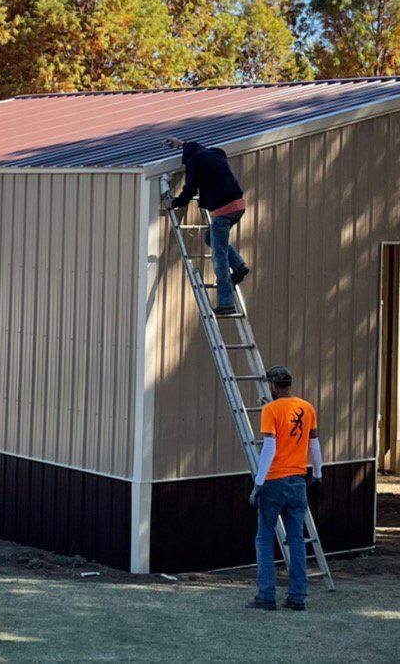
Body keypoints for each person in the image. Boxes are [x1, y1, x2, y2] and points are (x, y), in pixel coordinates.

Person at [247, 364, 322, 611]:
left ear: (272, 385)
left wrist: (259, 482)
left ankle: (266, 595)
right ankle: (297, 596)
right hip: (298, 482)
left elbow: (269, 448)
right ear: (289, 384)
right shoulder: (307, 408)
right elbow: (314, 443)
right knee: (297, 539)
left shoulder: (270, 410)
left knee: (265, 539)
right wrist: (318, 473)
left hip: (274, 482)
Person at [162, 137, 250, 315]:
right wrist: (181, 144)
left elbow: (190, 190)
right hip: (238, 206)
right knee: (211, 238)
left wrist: (174, 202)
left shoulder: (195, 161)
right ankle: (239, 266)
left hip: (222, 211)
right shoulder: (216, 153)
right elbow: (192, 146)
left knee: (219, 257)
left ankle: (226, 303)